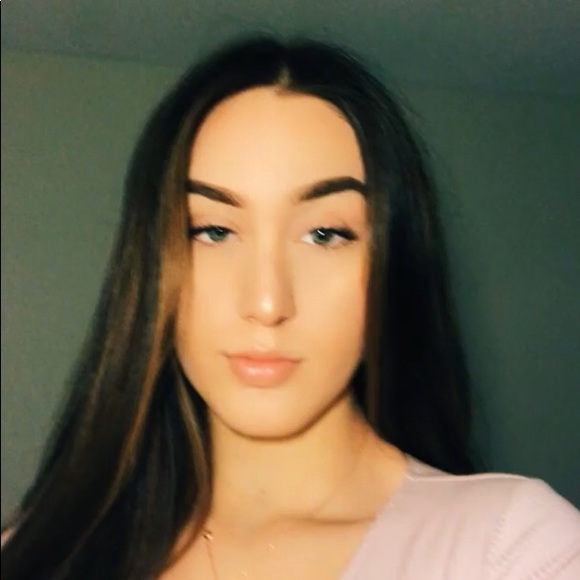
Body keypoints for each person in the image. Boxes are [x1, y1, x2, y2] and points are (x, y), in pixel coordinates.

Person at [1, 36, 579, 580]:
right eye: (213, 230)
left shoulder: (513, 550)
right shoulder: (36, 554)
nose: (267, 302)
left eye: (325, 234)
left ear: (392, 262)